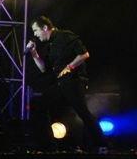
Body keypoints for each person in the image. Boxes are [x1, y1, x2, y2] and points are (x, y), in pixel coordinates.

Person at [26, 16, 106, 150]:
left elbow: (84, 54)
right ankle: (47, 146)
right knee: (38, 105)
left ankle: (101, 144)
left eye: (35, 30)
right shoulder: (49, 45)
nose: (35, 34)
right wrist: (34, 53)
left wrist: (70, 66)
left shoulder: (65, 36)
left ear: (45, 28)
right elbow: (44, 68)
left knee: (83, 113)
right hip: (61, 83)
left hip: (74, 81)